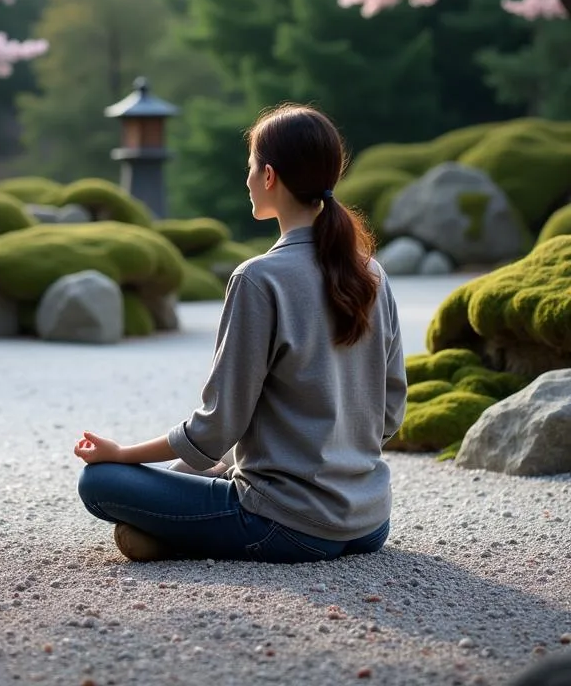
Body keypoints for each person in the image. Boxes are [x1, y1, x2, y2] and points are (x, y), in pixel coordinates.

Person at [74, 103, 407, 563]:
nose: (247, 178)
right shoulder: (372, 272)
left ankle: (173, 536)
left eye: (250, 167)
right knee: (193, 472)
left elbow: (216, 428)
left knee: (101, 482)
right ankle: (175, 533)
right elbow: (390, 413)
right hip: (369, 522)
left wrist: (122, 452)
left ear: (268, 176)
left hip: (287, 526)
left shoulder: (258, 279)